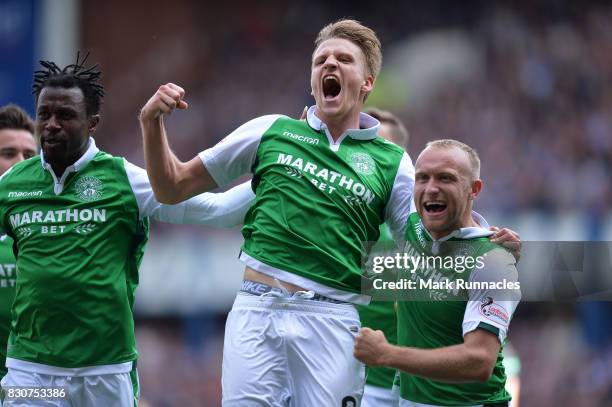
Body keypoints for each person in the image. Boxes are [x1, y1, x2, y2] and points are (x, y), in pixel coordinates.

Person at [140, 19, 414, 406]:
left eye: (343, 59)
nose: (329, 65)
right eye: (321, 60)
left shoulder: (393, 163)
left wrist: (485, 248)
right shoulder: (271, 131)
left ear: (367, 81)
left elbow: (425, 252)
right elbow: (172, 187)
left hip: (333, 322)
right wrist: (151, 124)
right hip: (257, 311)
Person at [0, 55, 253, 407]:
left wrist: (274, 174)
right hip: (32, 369)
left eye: (66, 116)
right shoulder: (12, 185)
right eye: (44, 115)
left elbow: (219, 211)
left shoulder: (124, 179)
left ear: (92, 122)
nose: (52, 125)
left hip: (104, 372)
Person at [354, 139, 521, 407]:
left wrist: (387, 354)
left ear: (473, 189)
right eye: (423, 178)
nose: (431, 189)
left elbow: (479, 361)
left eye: (446, 178)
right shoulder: (412, 227)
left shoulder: (493, 262)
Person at [0, 105, 38, 397]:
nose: (21, 163)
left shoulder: (61, 233)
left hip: (41, 395)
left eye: (29, 156)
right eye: (8, 153)